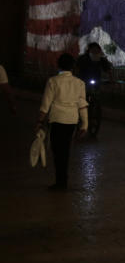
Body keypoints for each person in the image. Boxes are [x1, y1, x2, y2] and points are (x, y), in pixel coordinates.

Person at [36, 54, 88, 190]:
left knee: (57, 150)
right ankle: (62, 180)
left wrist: (40, 121)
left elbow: (45, 104)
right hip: (71, 120)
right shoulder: (80, 83)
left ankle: (61, 181)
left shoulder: (53, 81)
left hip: (57, 119)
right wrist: (85, 125)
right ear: (73, 67)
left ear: (58, 65)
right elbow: (82, 105)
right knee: (65, 149)